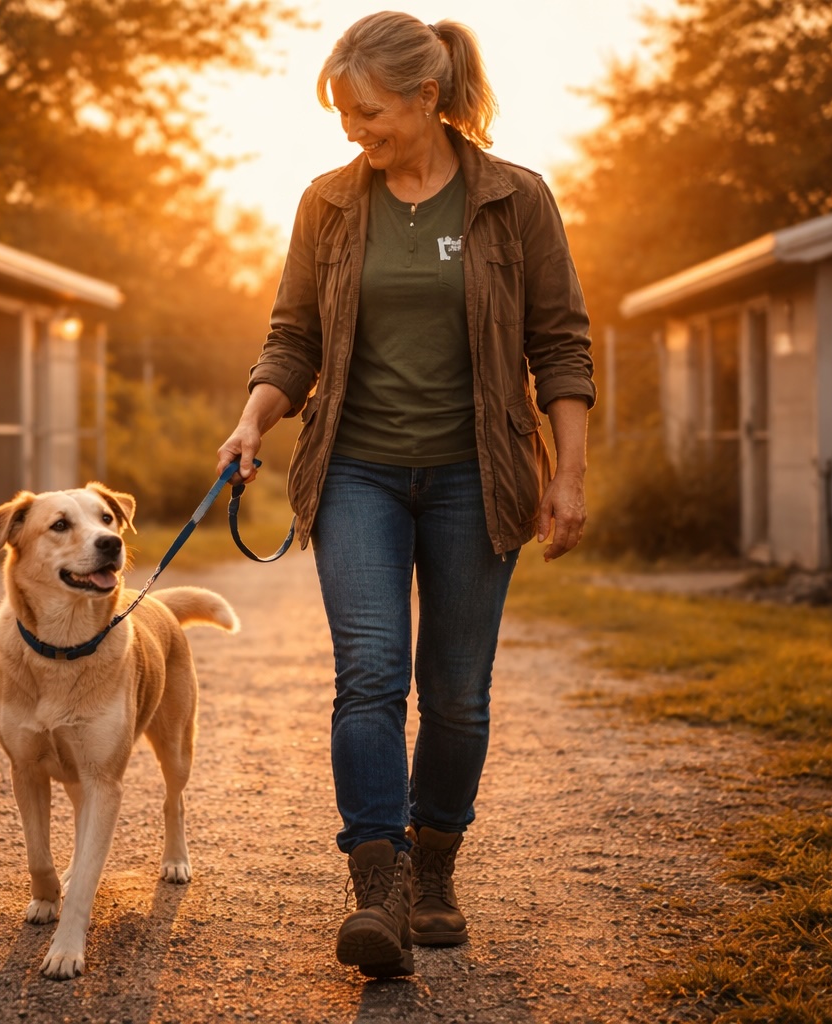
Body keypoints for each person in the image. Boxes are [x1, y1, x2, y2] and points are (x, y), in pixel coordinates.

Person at [215, 11, 595, 978]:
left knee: (459, 696)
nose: (355, 131)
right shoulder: (329, 203)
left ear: (428, 99)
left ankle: (434, 870)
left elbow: (560, 344)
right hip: (357, 472)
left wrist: (571, 472)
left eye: (369, 112)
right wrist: (255, 419)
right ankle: (376, 886)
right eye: (345, 114)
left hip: (481, 474)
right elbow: (293, 335)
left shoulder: (517, 199)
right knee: (372, 675)